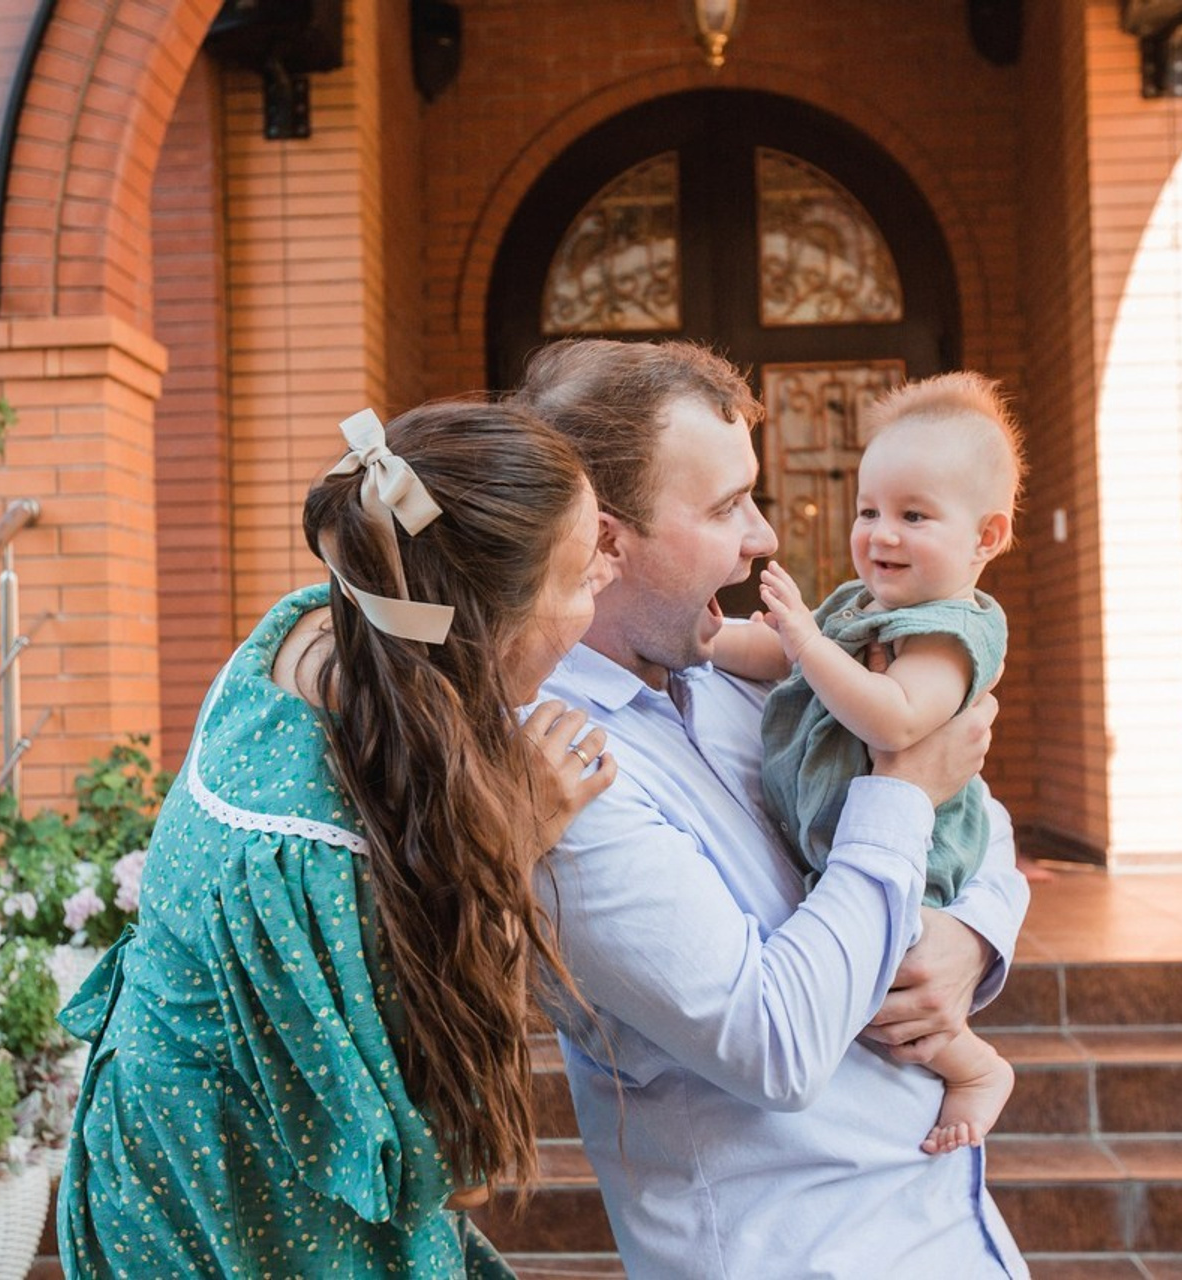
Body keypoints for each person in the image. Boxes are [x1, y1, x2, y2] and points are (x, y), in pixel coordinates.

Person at [56, 400, 616, 1278]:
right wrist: (513, 841)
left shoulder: (315, 624)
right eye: (582, 575)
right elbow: (450, 1160)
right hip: (256, 1230)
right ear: (479, 622)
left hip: (164, 1172)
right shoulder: (320, 866)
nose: (604, 587)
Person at [513, 339, 1030, 1280]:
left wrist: (970, 935)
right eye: (725, 508)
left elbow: (976, 813)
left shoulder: (729, 676)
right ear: (605, 541)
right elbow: (775, 1047)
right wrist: (903, 789)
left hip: (949, 1229)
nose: (764, 539)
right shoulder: (560, 776)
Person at [715, 371, 1024, 1156]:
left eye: (914, 516)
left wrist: (808, 643)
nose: (881, 534)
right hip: (845, 840)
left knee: (897, 982)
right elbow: (774, 658)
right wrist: (718, 640)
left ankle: (977, 1065)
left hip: (914, 857)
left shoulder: (948, 636)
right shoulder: (862, 604)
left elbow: (893, 720)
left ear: (985, 537)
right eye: (869, 511)